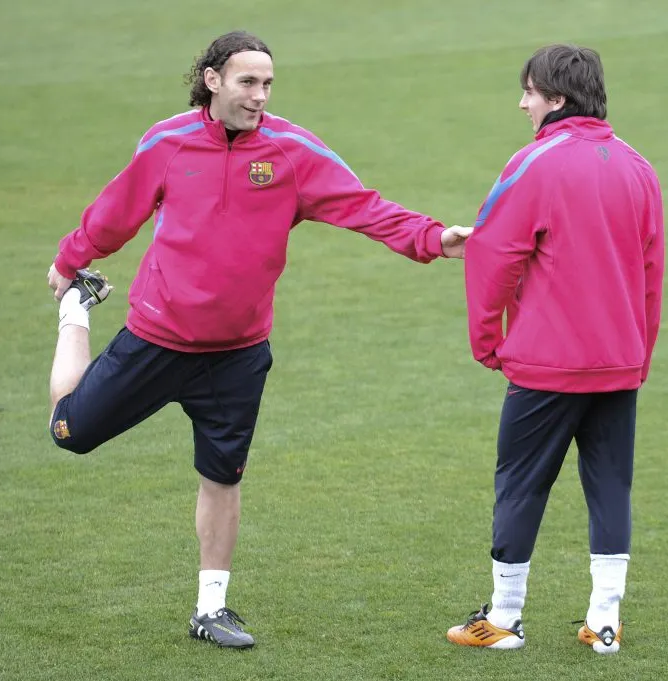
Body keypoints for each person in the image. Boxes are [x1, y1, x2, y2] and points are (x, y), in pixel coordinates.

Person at [45, 30, 472, 650]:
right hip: (157, 338)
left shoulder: (293, 152)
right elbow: (116, 212)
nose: (259, 96)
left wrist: (433, 239)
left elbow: (364, 206)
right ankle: (79, 311)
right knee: (70, 433)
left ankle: (210, 609)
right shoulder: (166, 143)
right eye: (248, 82)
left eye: (267, 84)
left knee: (223, 474)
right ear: (213, 79)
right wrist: (70, 262)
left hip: (239, 354)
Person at [445, 44, 664, 653]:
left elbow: (493, 254)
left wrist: (488, 342)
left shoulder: (533, 163)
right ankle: (604, 623)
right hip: (619, 364)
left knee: (520, 485)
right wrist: (637, 355)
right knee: (610, 488)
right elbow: (652, 270)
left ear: (556, 100)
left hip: (546, 367)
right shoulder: (638, 167)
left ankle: (506, 619)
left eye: (530, 92)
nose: (522, 103)